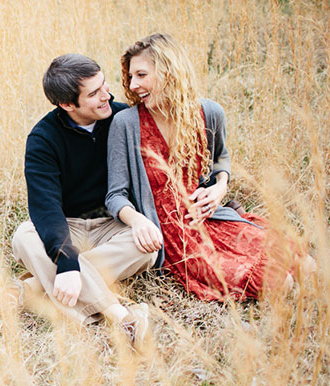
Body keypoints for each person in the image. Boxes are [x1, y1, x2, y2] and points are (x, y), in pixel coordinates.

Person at [105, 33, 288, 301]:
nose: (133, 85)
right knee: (276, 281)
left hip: (211, 217)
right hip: (174, 236)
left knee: (297, 261)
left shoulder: (209, 112)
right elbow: (115, 195)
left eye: (142, 75)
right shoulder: (126, 124)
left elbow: (220, 160)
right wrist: (138, 221)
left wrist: (219, 189)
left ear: (169, 71)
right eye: (131, 76)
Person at [0, 53, 157, 344]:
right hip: (67, 226)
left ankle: (33, 290)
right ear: (67, 104)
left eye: (104, 86)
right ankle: (120, 317)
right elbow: (46, 210)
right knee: (24, 236)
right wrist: (67, 261)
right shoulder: (43, 139)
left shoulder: (122, 119)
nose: (106, 96)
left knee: (146, 247)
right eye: (94, 94)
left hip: (112, 224)